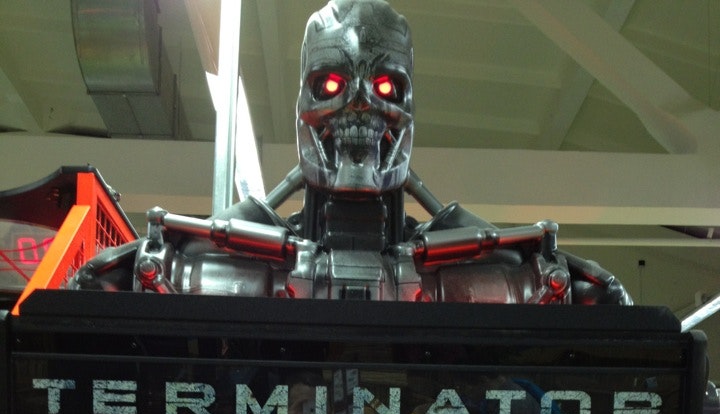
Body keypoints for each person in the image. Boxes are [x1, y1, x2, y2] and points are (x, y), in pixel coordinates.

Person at [71, 0, 631, 307]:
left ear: (408, 105)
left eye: (386, 87)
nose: (360, 106)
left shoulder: (507, 269)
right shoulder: (198, 259)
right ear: (304, 103)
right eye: (332, 85)